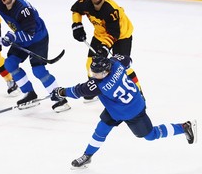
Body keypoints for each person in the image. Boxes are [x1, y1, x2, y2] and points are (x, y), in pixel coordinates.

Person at [51, 54, 197, 168]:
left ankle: (184, 127)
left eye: (98, 74)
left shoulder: (97, 85)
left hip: (132, 110)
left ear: (106, 71)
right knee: (101, 129)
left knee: (150, 135)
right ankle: (87, 155)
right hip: (119, 106)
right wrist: (107, 56)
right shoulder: (116, 63)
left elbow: (76, 91)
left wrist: (60, 92)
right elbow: (128, 60)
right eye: (93, 72)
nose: (95, 76)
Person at [0, 0, 71, 112]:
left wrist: (12, 37)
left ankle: (60, 99)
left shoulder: (23, 9)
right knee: (10, 64)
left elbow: (29, 34)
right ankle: (29, 94)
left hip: (38, 38)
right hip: (21, 36)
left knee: (39, 70)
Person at [70, 0, 142, 102]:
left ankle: (138, 91)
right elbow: (76, 10)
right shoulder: (85, 2)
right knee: (90, 64)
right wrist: (77, 25)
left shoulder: (110, 10)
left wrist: (104, 47)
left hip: (121, 36)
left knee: (123, 67)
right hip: (100, 34)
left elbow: (114, 34)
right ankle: (95, 89)